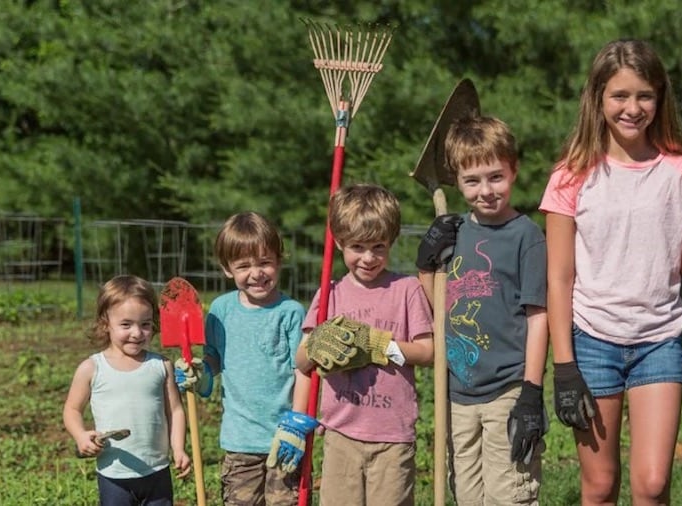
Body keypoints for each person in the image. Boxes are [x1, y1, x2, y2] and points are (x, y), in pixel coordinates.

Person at [540, 39, 682, 506]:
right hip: (592, 341)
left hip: (658, 341)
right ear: (597, 98)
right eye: (619, 96)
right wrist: (564, 367)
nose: (632, 108)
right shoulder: (570, 175)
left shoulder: (681, 172)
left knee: (653, 484)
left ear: (659, 99)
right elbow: (559, 278)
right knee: (600, 487)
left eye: (644, 95)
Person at [417, 115, 549, 505]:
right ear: (456, 180)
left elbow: (538, 316)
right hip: (457, 392)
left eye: (496, 177)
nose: (486, 191)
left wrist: (531, 391)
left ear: (514, 170)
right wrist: (426, 265)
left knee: (508, 494)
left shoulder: (526, 235)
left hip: (506, 389)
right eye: (472, 181)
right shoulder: (455, 232)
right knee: (467, 496)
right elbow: (438, 305)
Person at [294, 183, 434, 506]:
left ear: (391, 242)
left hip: (393, 437)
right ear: (339, 242)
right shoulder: (330, 294)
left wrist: (377, 345)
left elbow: (427, 352)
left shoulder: (407, 289)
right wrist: (317, 344)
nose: (369, 258)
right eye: (357, 246)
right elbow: (301, 361)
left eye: (379, 247)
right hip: (341, 433)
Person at [174, 211, 313, 506]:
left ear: (279, 260)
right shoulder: (220, 311)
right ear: (227, 269)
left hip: (284, 438)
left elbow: (304, 371)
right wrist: (200, 374)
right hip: (240, 440)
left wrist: (296, 424)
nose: (256, 273)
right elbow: (214, 360)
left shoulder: (291, 312)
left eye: (265, 262)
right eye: (243, 266)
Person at [63, 274, 192, 505]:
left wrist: (179, 448)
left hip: (157, 471)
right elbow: (72, 409)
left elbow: (176, 411)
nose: (137, 333)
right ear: (106, 324)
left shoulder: (161, 366)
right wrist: (80, 435)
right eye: (126, 324)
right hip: (114, 473)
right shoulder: (92, 368)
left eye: (145, 324)